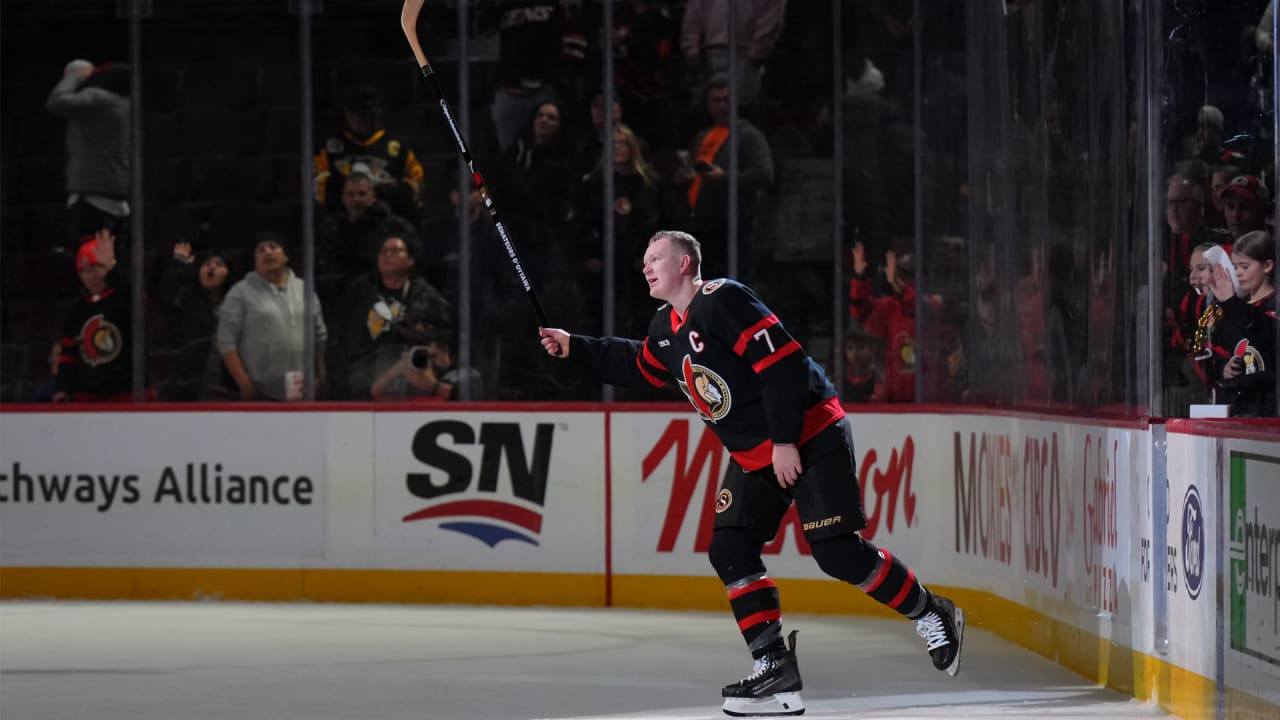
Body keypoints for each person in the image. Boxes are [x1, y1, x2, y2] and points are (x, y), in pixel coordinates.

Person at [537, 230, 963, 717]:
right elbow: (638, 363)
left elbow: (782, 365)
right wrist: (574, 347)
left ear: (685, 263)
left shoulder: (723, 300)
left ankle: (931, 611)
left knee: (837, 552)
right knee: (730, 547)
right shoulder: (665, 328)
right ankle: (774, 663)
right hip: (755, 455)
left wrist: (784, 441)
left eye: (656, 257)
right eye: (644, 259)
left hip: (810, 433)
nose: (646, 266)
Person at [674, 74, 774, 282]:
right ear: (708, 105)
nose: (722, 106)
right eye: (716, 100)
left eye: (726, 100)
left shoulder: (748, 135)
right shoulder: (702, 136)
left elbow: (764, 175)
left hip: (732, 227)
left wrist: (724, 178)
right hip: (699, 225)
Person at [329, 235, 452, 400]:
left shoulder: (427, 298)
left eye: (395, 250)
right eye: (383, 251)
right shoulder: (360, 290)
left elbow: (442, 343)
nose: (387, 255)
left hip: (412, 383)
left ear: (410, 260)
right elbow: (339, 331)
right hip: (363, 381)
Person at [215, 233, 328, 401]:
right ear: (255, 262)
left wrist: (321, 374)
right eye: (261, 250)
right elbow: (225, 340)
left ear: (285, 256)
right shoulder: (240, 292)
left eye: (273, 247)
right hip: (259, 393)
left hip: (304, 391)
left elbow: (319, 335)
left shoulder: (305, 289)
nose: (267, 252)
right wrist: (244, 383)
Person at [45, 59, 131, 253]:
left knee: (91, 260)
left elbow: (57, 102)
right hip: (117, 195)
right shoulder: (126, 105)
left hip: (91, 198)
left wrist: (75, 75)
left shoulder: (97, 98)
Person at [54, 229, 148, 402]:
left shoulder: (123, 298)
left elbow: (138, 297)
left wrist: (113, 268)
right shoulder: (77, 310)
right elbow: (68, 356)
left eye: (95, 268)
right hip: (88, 398)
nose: (89, 276)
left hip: (127, 395)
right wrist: (62, 387)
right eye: (83, 271)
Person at [313, 86, 425, 223]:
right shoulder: (330, 146)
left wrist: (395, 188)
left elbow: (417, 184)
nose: (366, 121)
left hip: (388, 220)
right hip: (342, 221)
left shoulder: (396, 145)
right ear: (347, 114)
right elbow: (318, 188)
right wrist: (350, 190)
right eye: (361, 116)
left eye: (371, 115)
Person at [315, 171, 420, 306]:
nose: (356, 199)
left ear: (372, 197)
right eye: (351, 194)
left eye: (362, 193)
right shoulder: (331, 229)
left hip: (384, 300)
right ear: (343, 198)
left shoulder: (394, 227)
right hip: (341, 301)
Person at [155, 242, 236, 401]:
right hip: (187, 387)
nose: (211, 267)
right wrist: (179, 264)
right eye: (206, 264)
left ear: (228, 273)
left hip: (225, 387)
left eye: (219, 264)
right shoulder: (187, 301)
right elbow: (165, 298)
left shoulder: (236, 305)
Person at [370, 334, 483, 401]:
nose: (429, 361)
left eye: (433, 356)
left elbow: (474, 396)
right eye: (423, 356)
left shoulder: (465, 373)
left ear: (446, 352)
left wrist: (434, 386)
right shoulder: (412, 372)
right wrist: (398, 368)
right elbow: (374, 392)